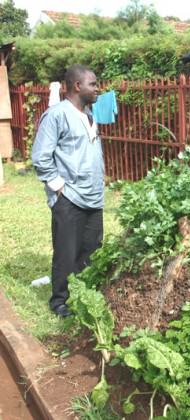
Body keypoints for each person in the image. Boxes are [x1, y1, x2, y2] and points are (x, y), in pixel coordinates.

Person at [32, 64, 104, 317]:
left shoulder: (90, 114)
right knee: (66, 251)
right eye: (93, 84)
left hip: (93, 197)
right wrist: (58, 186)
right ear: (77, 86)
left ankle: (83, 295)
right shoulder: (57, 115)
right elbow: (41, 156)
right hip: (69, 197)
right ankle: (60, 301)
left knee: (90, 249)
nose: (97, 89)